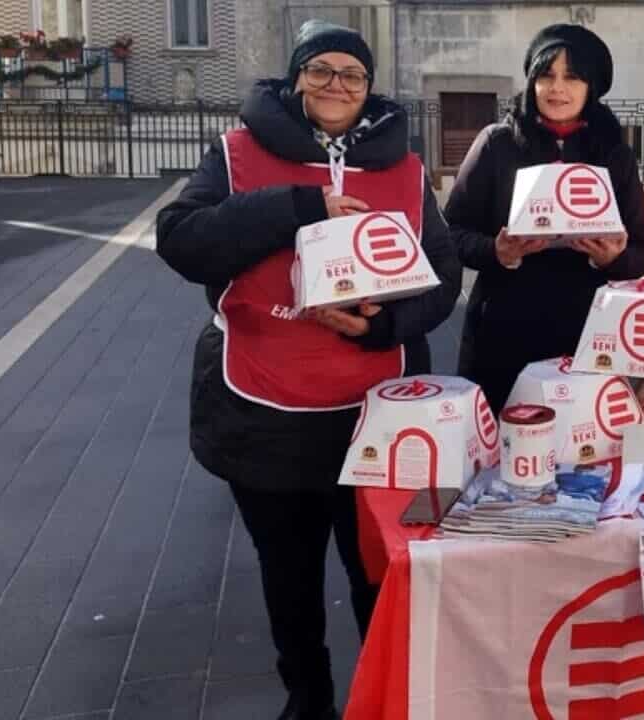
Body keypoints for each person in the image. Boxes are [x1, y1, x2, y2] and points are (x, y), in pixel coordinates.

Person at [155, 20, 461, 720]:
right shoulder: (237, 153)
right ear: (295, 81)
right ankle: (309, 698)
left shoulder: (405, 169)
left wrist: (384, 324)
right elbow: (181, 241)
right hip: (265, 410)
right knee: (288, 577)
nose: (336, 85)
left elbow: (442, 278)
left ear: (368, 88)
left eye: (351, 74)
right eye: (320, 71)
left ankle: (382, 695)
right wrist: (298, 207)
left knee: (378, 574)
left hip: (377, 415)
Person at [445, 24, 644, 412]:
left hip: (587, 331)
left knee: (581, 450)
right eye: (546, 75)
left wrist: (611, 259)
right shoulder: (496, 143)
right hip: (503, 330)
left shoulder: (614, 153)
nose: (557, 88)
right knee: (502, 455)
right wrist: (498, 251)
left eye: (572, 77)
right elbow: (451, 233)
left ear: (592, 87)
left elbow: (641, 251)